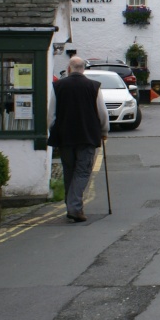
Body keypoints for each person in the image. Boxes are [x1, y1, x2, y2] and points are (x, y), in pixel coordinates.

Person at [48, 56, 108, 222]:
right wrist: (104, 130)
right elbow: (102, 113)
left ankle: (72, 206)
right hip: (87, 135)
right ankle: (74, 207)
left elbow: (51, 114)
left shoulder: (58, 86)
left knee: (69, 171)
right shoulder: (93, 86)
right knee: (82, 171)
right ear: (83, 69)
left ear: (69, 68)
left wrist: (53, 129)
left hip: (65, 136)